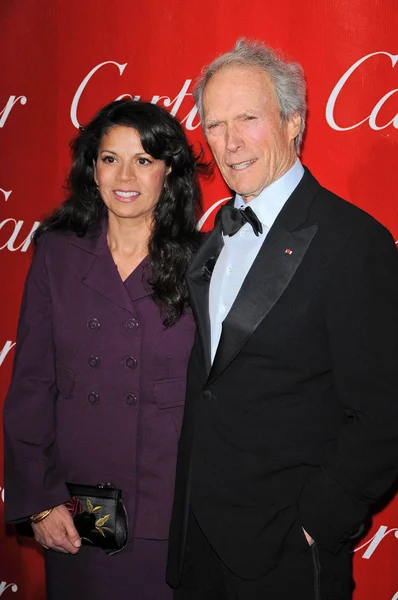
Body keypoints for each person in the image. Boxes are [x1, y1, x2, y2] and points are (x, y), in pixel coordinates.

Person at [166, 39, 398, 600]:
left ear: (294, 122)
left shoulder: (352, 241)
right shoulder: (213, 236)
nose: (229, 142)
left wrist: (316, 524)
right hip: (199, 545)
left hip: (286, 556)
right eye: (215, 124)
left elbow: (385, 411)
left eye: (248, 118)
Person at [3, 98, 202, 600]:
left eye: (144, 159)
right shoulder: (56, 253)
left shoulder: (205, 262)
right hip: (78, 510)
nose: (125, 175)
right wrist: (42, 504)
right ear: (92, 169)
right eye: (110, 158)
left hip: (169, 509)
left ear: (169, 170)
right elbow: (30, 386)